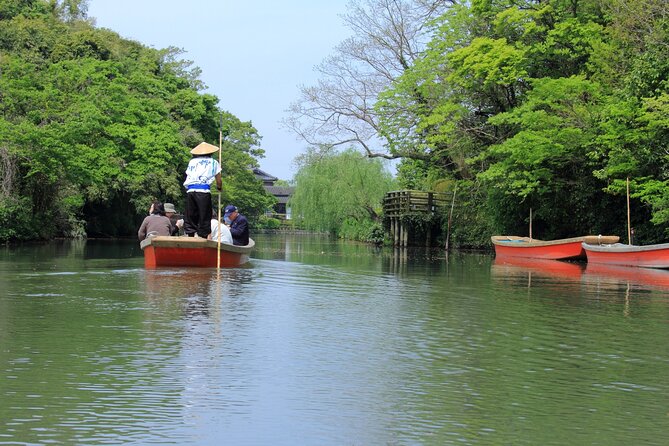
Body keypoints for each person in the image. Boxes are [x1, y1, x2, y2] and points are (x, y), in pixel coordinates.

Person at [183, 142, 222, 238]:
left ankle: (190, 235)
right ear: (210, 153)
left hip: (190, 191)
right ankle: (204, 236)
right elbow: (219, 180)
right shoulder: (214, 162)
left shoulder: (192, 161)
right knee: (204, 215)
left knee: (191, 214)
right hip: (203, 192)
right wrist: (219, 188)